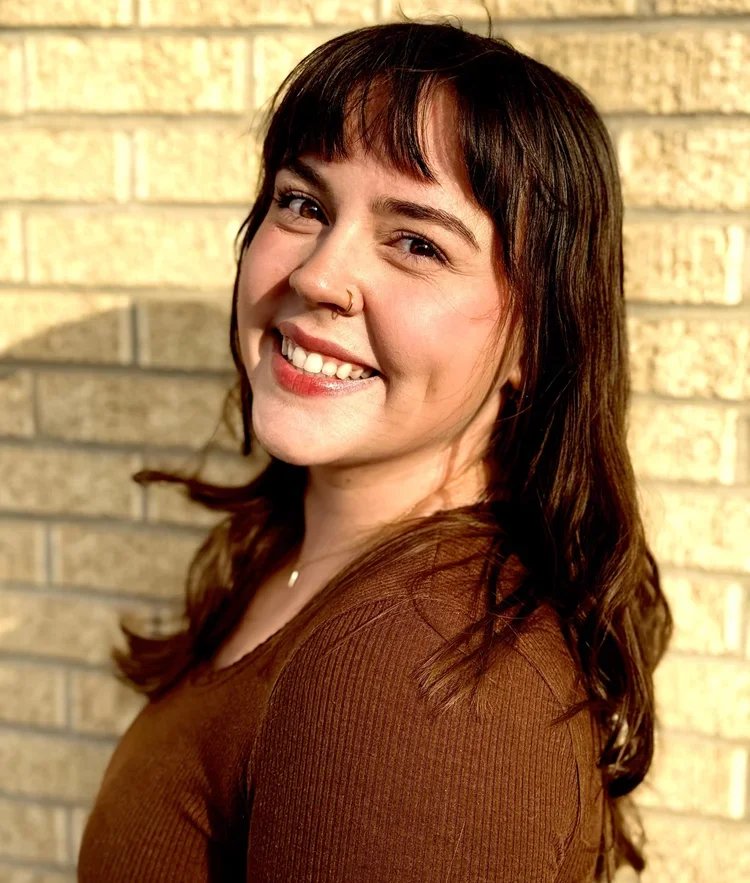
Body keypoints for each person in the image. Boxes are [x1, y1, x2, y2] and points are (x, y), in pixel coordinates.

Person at [78, 20, 672, 883]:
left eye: (418, 242)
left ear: (536, 342)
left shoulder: (430, 686)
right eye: (303, 203)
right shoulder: (300, 554)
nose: (319, 274)